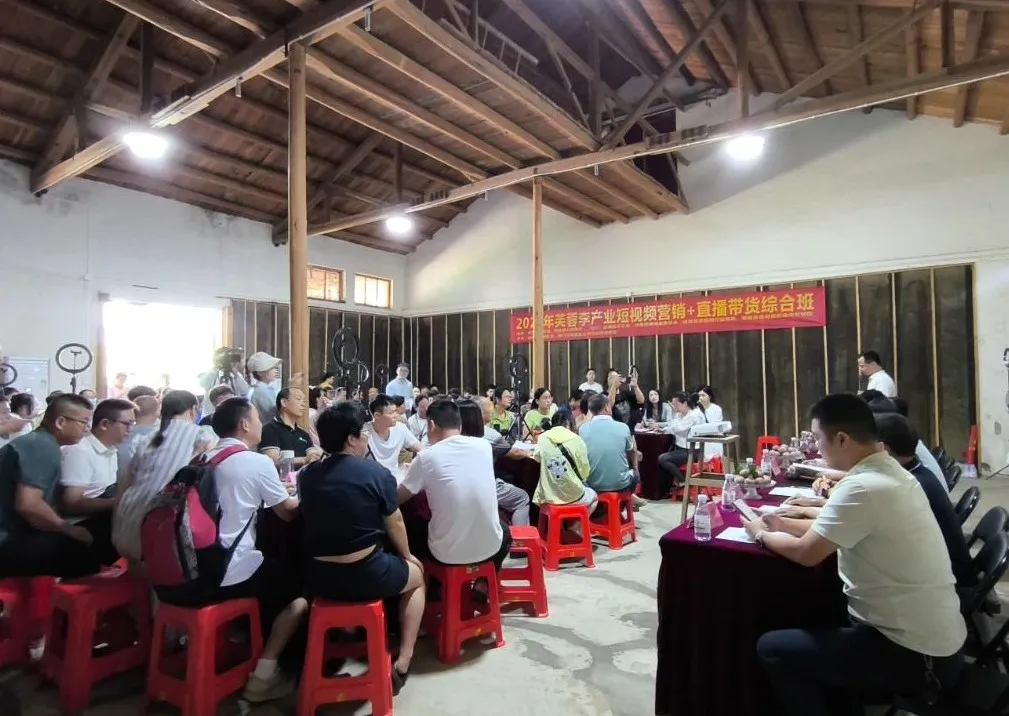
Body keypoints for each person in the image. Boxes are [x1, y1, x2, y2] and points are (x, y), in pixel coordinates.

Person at [743, 394, 965, 716]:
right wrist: (783, 523)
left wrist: (760, 534)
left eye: (818, 438)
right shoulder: (891, 470)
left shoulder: (863, 486)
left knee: (772, 648)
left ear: (842, 439)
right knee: (819, 607)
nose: (817, 448)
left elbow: (806, 554)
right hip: (933, 635)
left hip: (915, 654)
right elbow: (835, 527)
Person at [301, 402, 424, 693]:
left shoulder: (307, 475)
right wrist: (408, 556)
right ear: (351, 439)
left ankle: (347, 637)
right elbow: (395, 521)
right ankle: (404, 660)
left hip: (318, 578)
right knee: (417, 577)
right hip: (366, 574)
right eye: (362, 434)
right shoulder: (375, 473)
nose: (366, 438)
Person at [192, 398, 304, 703]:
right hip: (228, 570)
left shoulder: (201, 459)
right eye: (256, 419)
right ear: (244, 424)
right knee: (299, 592)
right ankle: (265, 675)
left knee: (271, 572)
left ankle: (242, 640)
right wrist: (306, 494)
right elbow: (287, 512)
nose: (259, 424)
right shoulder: (255, 462)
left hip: (192, 567)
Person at [0, 394, 106, 577]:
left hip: (13, 533)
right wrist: (68, 528)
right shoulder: (41, 446)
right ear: (60, 422)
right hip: (6, 540)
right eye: (84, 422)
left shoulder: (39, 442)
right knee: (86, 545)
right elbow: (29, 505)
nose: (88, 428)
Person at [397, 399, 510, 569]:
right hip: (491, 547)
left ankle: (428, 581)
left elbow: (398, 498)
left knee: (410, 523)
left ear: (431, 425)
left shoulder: (426, 457)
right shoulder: (484, 446)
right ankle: (483, 580)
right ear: (459, 425)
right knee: (504, 529)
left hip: (446, 554)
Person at [874, 413, 975, 594]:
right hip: (944, 572)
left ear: (884, 449)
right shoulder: (916, 472)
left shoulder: (909, 486)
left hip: (944, 585)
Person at [112, 391, 217, 563]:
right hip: (164, 524)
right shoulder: (203, 434)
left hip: (129, 518)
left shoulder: (147, 438)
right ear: (193, 410)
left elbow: (127, 481)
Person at [59, 398, 136, 566]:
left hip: (102, 519)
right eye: (127, 424)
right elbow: (71, 503)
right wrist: (118, 503)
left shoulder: (111, 450)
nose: (131, 430)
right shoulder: (80, 451)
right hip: (81, 526)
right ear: (105, 424)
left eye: (133, 424)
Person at [460, 399, 530, 526]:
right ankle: (520, 536)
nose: (492, 412)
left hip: (459, 488)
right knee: (522, 497)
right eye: (489, 408)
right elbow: (514, 453)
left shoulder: (452, 436)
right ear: (479, 414)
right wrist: (529, 452)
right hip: (483, 486)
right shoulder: (489, 436)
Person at [534, 411, 597, 514]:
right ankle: (577, 523)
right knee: (594, 496)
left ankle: (557, 523)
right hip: (573, 495)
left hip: (547, 496)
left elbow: (537, 458)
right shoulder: (576, 439)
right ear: (568, 423)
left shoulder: (543, 437)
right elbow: (585, 473)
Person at [579, 393, 640, 495]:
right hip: (621, 485)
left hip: (592, 485)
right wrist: (635, 468)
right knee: (635, 474)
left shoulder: (583, 429)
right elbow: (633, 451)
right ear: (607, 407)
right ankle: (626, 501)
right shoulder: (623, 427)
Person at [258, 387, 323, 469]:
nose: (303, 404)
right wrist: (303, 460)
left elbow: (313, 455)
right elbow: (272, 461)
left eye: (304, 401)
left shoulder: (303, 434)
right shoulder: (269, 430)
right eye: (299, 399)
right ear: (284, 402)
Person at [656, 392, 701, 493]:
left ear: (684, 404)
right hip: (681, 448)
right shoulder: (682, 415)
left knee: (663, 458)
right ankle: (674, 483)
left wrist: (674, 417)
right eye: (673, 404)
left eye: (676, 404)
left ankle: (683, 482)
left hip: (691, 451)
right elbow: (673, 426)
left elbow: (678, 428)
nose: (674, 407)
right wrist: (664, 429)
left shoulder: (692, 415)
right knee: (663, 456)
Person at [366, 394, 423, 474]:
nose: (396, 415)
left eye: (396, 411)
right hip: (373, 478)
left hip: (395, 477)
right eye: (391, 413)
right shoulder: (365, 433)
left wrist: (414, 464)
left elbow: (421, 449)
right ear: (377, 415)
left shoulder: (400, 428)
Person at [199, 348, 251, 418]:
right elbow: (203, 383)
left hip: (232, 416)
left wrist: (236, 374)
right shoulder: (211, 374)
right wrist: (215, 367)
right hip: (211, 415)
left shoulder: (236, 375)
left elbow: (246, 391)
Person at [117, 395, 159, 482]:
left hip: (116, 484)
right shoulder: (162, 435)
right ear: (157, 412)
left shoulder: (118, 432)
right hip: (145, 485)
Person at [247, 351, 282, 423]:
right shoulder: (261, 391)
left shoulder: (262, 389)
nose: (275, 370)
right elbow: (279, 411)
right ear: (260, 373)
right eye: (271, 368)